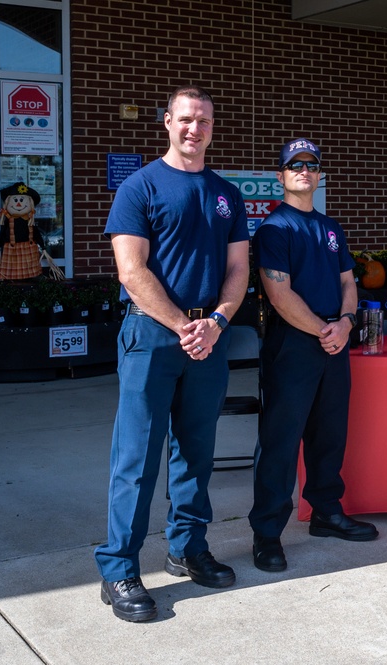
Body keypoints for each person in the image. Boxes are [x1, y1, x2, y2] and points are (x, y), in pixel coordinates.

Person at [95, 85, 250, 622]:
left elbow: (238, 269)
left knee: (196, 451)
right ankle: (118, 567)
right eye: (186, 118)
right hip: (154, 335)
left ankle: (186, 547)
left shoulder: (226, 193)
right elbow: (131, 272)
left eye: (204, 120)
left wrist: (218, 322)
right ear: (167, 122)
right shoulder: (139, 187)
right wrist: (186, 325)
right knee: (136, 458)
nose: (195, 128)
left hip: (209, 332)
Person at [249, 138, 377, 574]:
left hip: (333, 340)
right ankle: (267, 534)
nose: (304, 170)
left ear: (320, 175)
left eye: (311, 164)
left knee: (328, 435)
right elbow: (278, 293)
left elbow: (348, 283)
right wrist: (324, 330)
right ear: (281, 175)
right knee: (280, 444)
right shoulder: (273, 229)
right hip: (293, 345)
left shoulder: (331, 228)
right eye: (294, 165)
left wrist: (344, 323)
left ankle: (326, 513)